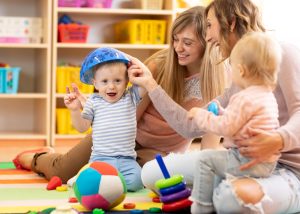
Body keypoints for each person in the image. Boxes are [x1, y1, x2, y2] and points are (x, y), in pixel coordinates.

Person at [13, 6, 228, 184]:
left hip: (159, 153)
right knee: (61, 171)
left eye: (187, 42)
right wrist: (111, 148)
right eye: (175, 39)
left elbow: (210, 140)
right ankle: (35, 157)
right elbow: (126, 113)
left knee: (138, 181)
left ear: (207, 42)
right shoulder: (158, 66)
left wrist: (208, 177)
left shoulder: (219, 80)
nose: (178, 48)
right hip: (118, 136)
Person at [128, 0, 300, 213]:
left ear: (231, 22)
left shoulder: (282, 53)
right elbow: (189, 127)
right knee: (152, 174)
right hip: (237, 161)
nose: (208, 37)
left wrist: (278, 139)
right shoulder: (239, 75)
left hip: (285, 169)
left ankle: (238, 193)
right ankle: (226, 190)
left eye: (209, 25)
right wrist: (151, 86)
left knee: (230, 200)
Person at [188, 32, 282, 213]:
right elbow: (240, 120)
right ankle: (214, 199)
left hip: (247, 160)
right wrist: (222, 112)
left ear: (241, 71)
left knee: (205, 160)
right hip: (267, 163)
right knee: (217, 164)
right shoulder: (267, 96)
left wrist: (200, 115)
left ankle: (201, 207)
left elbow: (225, 128)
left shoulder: (243, 97)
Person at [63, 47, 144, 191]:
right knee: (91, 185)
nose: (111, 86)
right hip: (100, 159)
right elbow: (82, 127)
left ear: (127, 81)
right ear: (95, 83)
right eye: (104, 81)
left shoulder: (131, 97)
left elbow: (145, 81)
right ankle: (83, 176)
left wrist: (133, 67)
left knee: (137, 183)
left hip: (127, 160)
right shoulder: (93, 101)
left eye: (118, 80)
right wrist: (75, 110)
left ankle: (108, 184)